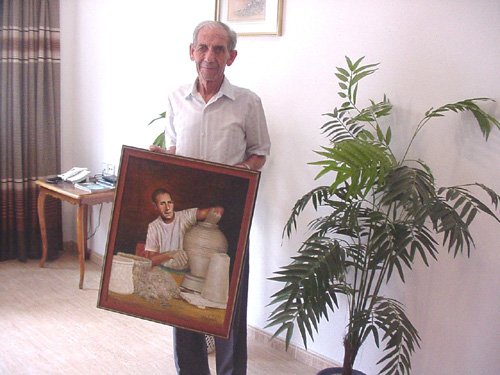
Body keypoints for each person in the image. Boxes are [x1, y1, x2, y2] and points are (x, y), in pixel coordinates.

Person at [150, 20, 271, 375]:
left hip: (230, 212)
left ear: (231, 57)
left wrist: (241, 174)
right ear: (191, 52)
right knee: (183, 295)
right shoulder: (175, 99)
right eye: (203, 47)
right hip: (186, 215)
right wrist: (160, 160)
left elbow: (260, 152)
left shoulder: (248, 103)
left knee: (229, 302)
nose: (210, 56)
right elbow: (175, 149)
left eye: (219, 49)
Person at [144, 188, 224, 269]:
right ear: (155, 206)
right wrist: (170, 254)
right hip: (164, 271)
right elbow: (151, 260)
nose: (167, 208)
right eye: (162, 204)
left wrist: (210, 221)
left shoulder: (185, 216)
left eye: (169, 202)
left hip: (187, 272)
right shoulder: (154, 226)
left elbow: (218, 210)